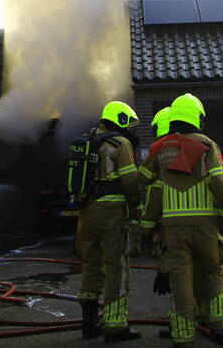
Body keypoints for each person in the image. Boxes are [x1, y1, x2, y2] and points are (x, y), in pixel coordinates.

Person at [138, 93, 223, 345]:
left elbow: (144, 177)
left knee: (180, 280)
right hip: (205, 224)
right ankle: (219, 325)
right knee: (212, 273)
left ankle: (182, 334)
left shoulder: (160, 147)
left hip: (174, 228)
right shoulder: (209, 145)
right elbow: (220, 183)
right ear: (197, 116)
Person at [76, 101, 142, 342]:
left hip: (86, 214)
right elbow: (130, 180)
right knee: (116, 265)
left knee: (91, 264)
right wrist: (135, 202)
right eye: (129, 123)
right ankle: (115, 325)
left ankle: (89, 323)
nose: (130, 129)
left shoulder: (86, 140)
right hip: (111, 214)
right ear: (121, 119)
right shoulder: (120, 143)